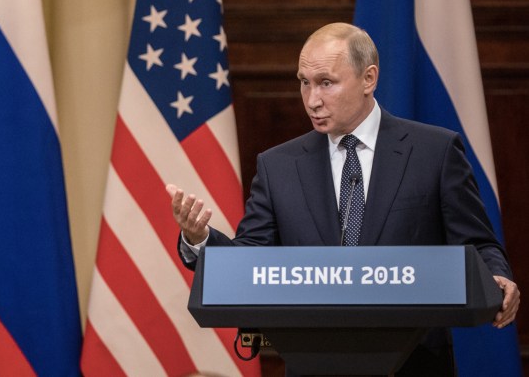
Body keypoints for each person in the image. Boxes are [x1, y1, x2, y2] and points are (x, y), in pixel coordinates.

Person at [169, 22, 519, 375]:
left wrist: (497, 276)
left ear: (369, 79)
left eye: (326, 83)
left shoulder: (434, 152)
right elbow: (249, 263)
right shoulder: (278, 166)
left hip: (414, 362)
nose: (312, 100)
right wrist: (199, 240)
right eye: (304, 82)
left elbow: (477, 242)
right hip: (314, 361)